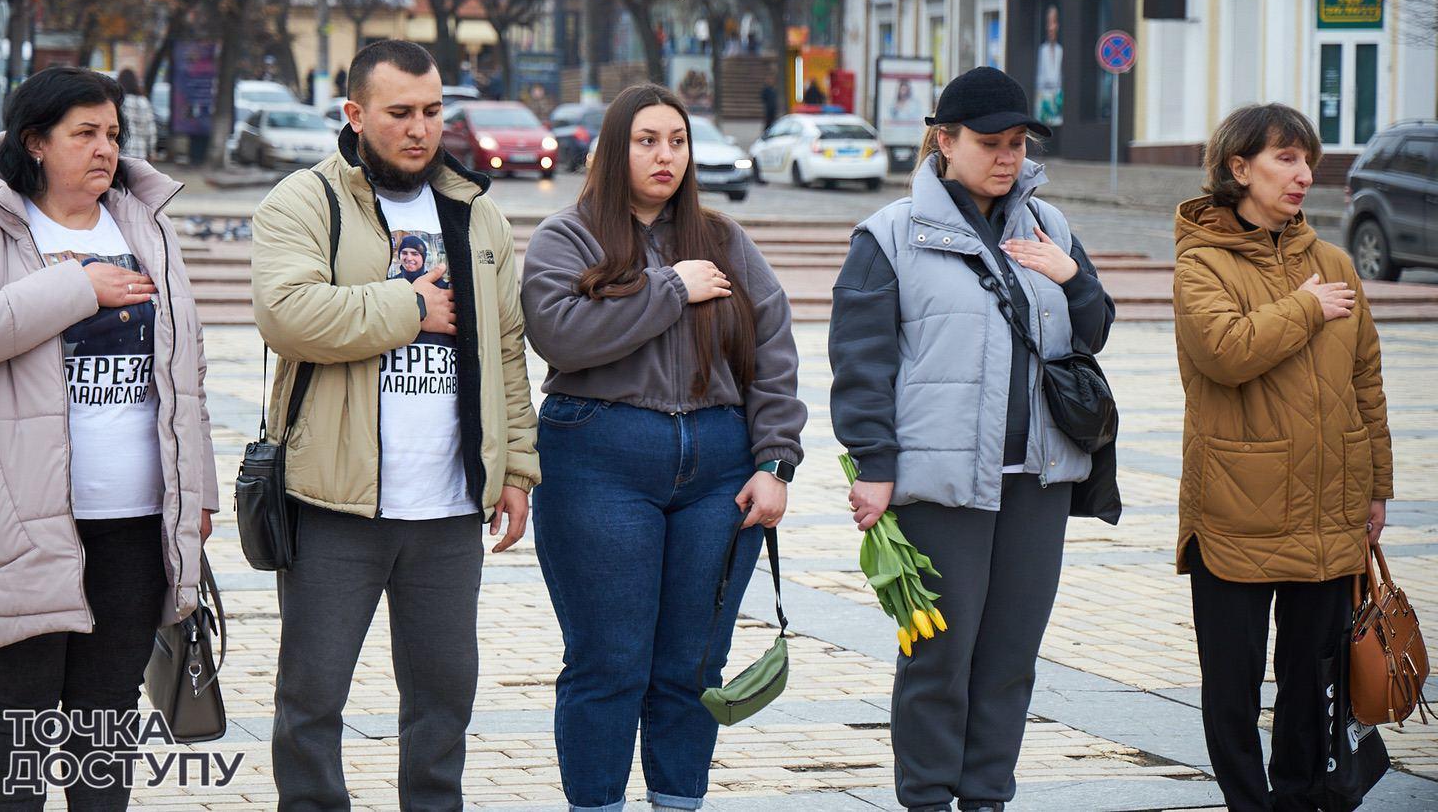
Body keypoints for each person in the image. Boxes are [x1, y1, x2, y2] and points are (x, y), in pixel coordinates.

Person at [251, 38, 539, 811]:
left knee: (444, 707)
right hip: (333, 504)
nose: (420, 128)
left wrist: (515, 470)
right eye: (400, 113)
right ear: (355, 114)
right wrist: (411, 306)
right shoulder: (304, 201)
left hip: (448, 511)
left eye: (433, 111)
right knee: (311, 704)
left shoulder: (477, 214)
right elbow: (288, 313)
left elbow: (506, 350)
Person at [0, 66, 218, 809]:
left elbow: (188, 369)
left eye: (113, 134)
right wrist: (80, 285)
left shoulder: (144, 225)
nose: (104, 149)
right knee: (17, 716)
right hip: (22, 517)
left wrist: (198, 495)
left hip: (133, 522)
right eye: (83, 133)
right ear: (35, 140)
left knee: (108, 712)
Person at [830, 66, 1116, 812]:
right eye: (990, 142)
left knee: (1010, 658)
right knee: (939, 658)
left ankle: (986, 798)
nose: (1007, 157)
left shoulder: (1050, 228)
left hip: (1038, 479)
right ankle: (926, 798)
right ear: (944, 141)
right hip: (940, 483)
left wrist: (1075, 280)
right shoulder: (890, 235)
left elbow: (1093, 333)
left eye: (1018, 143)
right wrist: (875, 466)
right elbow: (860, 366)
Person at [521, 83, 807, 812]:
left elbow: (772, 349)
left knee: (692, 664)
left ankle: (679, 802)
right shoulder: (568, 237)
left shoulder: (724, 241)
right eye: (647, 140)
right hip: (600, 459)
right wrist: (668, 289)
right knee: (609, 662)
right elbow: (560, 336)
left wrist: (775, 461)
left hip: (720, 468)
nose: (664, 156)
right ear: (615, 149)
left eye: (676, 141)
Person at [1172, 104, 1393, 812]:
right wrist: (1303, 308)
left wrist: (1376, 488)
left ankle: (1302, 797)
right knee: (1232, 686)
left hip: (1330, 510)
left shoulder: (1332, 263)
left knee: (1313, 679)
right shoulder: (1201, 262)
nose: (1304, 175)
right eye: (1286, 159)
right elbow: (1225, 352)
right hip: (1237, 509)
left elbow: (1366, 382)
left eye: (1308, 161)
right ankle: (1248, 802)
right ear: (1238, 168)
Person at [116, 68, 157, 161]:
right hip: (140, 153)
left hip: (122, 151)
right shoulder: (144, 102)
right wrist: (151, 151)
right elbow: (150, 130)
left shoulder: (119, 102)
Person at [1034, 6, 1063, 127]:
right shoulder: (1042, 50)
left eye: (1054, 22)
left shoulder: (1060, 50)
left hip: (1058, 97)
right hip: (1043, 97)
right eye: (1049, 23)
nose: (1051, 28)